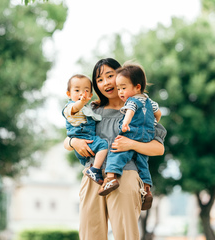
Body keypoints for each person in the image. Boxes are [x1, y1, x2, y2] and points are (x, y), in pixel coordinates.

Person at [64, 58, 166, 240]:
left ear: (122, 75)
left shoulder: (143, 109)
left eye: (110, 76)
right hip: (92, 177)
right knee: (90, 234)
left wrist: (131, 144)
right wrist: (74, 143)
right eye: (99, 80)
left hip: (125, 176)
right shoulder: (91, 110)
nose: (106, 83)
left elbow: (158, 148)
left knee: (126, 234)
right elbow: (69, 138)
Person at [98, 63, 162, 212]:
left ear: (137, 87)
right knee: (142, 164)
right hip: (146, 136)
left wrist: (125, 124)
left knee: (116, 152)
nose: (120, 91)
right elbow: (158, 114)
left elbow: (130, 112)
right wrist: (153, 123)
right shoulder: (149, 101)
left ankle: (111, 178)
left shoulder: (132, 101)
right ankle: (146, 190)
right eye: (118, 88)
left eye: (123, 88)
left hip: (131, 133)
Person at [62, 74, 108, 185]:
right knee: (103, 145)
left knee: (87, 162)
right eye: (77, 90)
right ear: (69, 94)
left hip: (86, 145)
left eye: (86, 90)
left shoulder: (89, 108)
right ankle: (95, 170)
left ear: (91, 95)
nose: (82, 94)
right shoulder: (70, 107)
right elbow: (75, 108)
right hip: (85, 139)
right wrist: (81, 102)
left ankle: (91, 169)